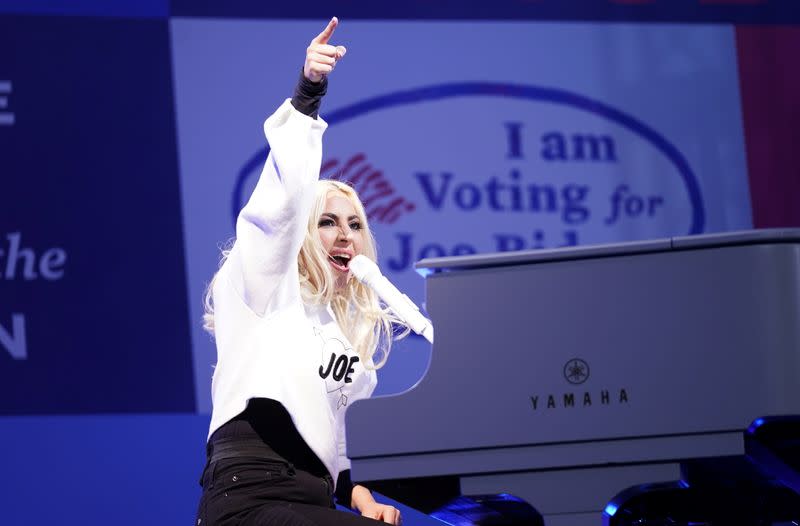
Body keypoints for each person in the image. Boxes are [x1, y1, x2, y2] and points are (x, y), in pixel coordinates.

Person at [195, 17, 407, 526]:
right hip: (253, 499)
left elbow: (334, 447)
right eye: (327, 222)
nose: (344, 235)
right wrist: (308, 93)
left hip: (312, 503)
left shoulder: (347, 338)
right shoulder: (263, 288)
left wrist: (362, 499)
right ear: (302, 236)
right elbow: (281, 206)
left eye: (355, 224)